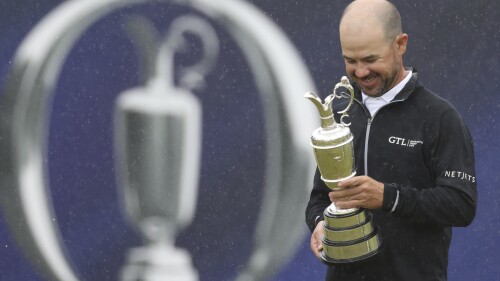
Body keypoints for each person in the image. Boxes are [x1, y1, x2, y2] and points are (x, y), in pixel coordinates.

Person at [305, 0, 477, 280]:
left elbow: (461, 204)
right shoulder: (341, 112)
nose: (360, 72)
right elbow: (320, 198)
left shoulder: (440, 118)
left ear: (400, 44)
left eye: (371, 60)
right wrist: (320, 223)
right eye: (351, 60)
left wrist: (388, 197)